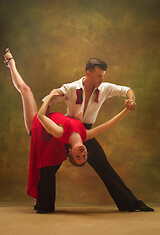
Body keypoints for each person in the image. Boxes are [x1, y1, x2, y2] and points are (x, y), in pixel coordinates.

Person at [4, 48, 131, 213]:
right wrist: (127, 110)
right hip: (50, 119)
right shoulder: (85, 135)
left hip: (39, 127)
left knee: (25, 90)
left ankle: (10, 63)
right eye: (84, 155)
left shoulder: (60, 134)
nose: (83, 152)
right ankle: (44, 201)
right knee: (27, 91)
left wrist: (49, 96)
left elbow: (41, 117)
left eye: (78, 156)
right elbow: (109, 124)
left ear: (69, 151)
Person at [43, 57, 154, 212]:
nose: (102, 79)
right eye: (99, 75)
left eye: (103, 75)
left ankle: (132, 204)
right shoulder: (71, 87)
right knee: (48, 165)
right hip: (67, 131)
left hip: (86, 132)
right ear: (88, 74)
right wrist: (46, 126)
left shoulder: (105, 88)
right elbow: (48, 101)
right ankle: (44, 206)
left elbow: (127, 90)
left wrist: (131, 100)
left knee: (105, 168)